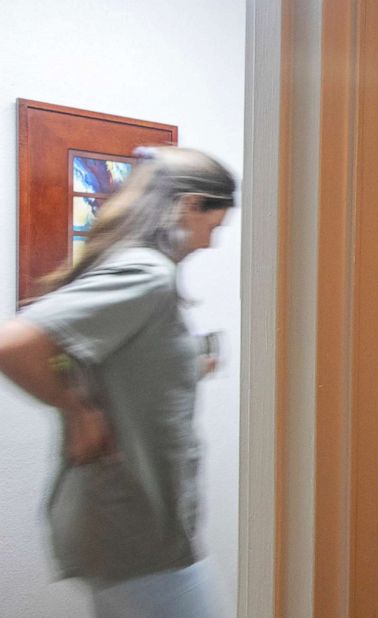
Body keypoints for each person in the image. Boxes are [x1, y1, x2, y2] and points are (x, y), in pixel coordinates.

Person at [0, 147, 236, 617]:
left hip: (136, 527)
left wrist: (187, 367)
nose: (211, 244)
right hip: (133, 527)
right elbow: (16, 345)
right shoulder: (146, 272)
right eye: (215, 226)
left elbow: (100, 360)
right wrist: (78, 410)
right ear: (191, 205)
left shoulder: (142, 272)